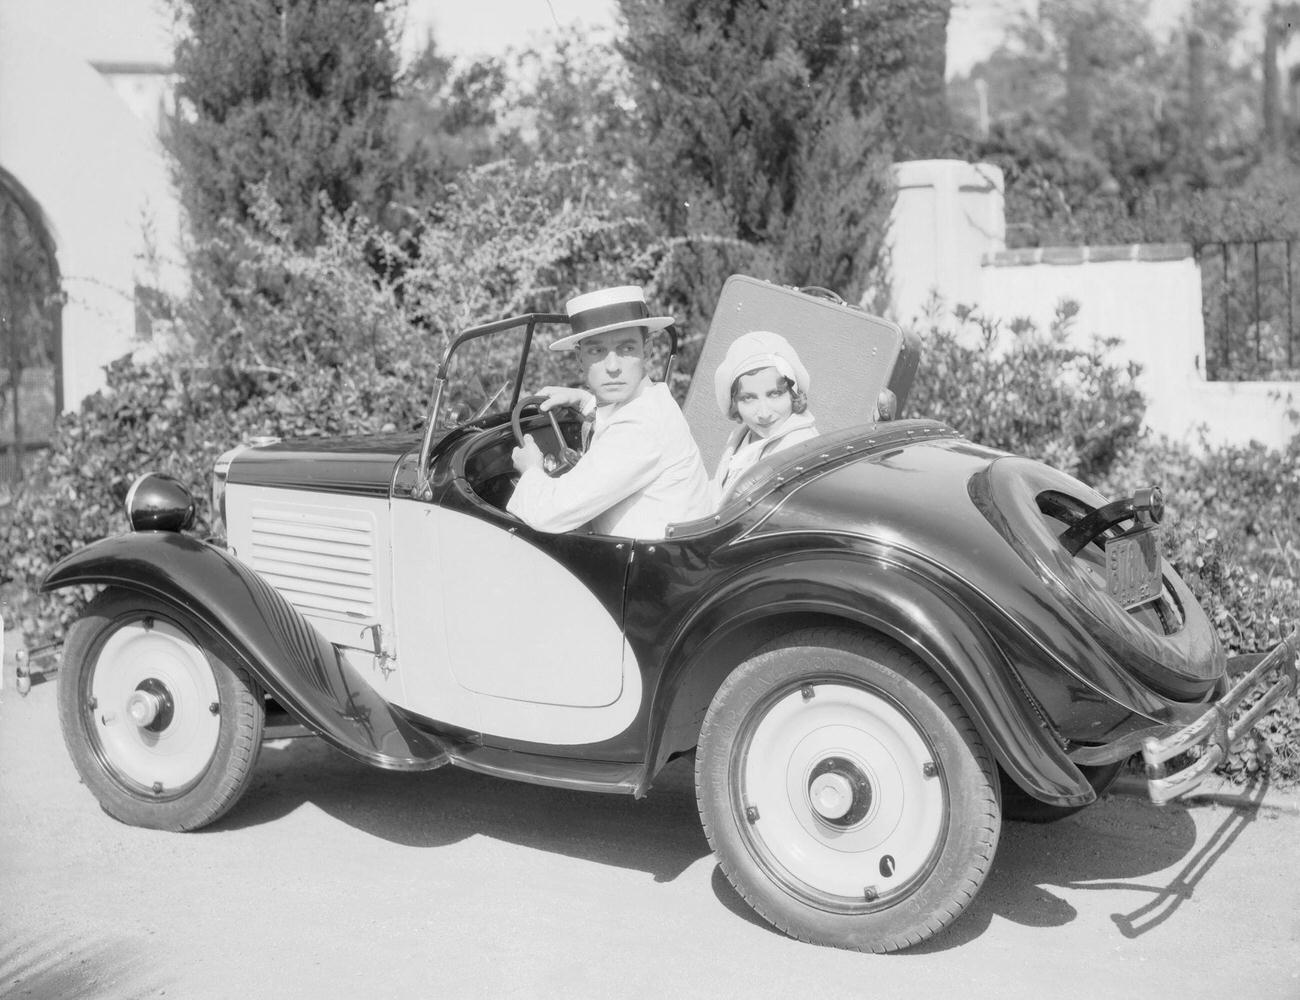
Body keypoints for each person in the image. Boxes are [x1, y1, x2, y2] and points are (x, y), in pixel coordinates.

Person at [507, 286, 714, 538]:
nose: (613, 367)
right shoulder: (654, 400)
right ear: (579, 358)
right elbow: (619, 418)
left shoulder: (640, 428)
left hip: (653, 572)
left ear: (646, 350)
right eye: (597, 351)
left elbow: (550, 512)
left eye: (626, 349)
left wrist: (530, 469)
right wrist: (583, 400)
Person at [711, 330, 819, 503]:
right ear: (735, 403)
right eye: (748, 398)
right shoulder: (742, 436)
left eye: (775, 394)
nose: (764, 413)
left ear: (793, 394)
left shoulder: (800, 448)